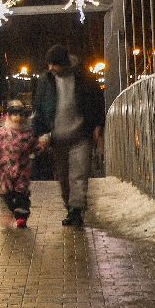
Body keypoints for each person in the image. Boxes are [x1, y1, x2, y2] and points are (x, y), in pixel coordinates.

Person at [31, 44, 105, 227]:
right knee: (63, 177)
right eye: (49, 64)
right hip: (57, 137)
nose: (51, 68)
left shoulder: (83, 78)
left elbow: (96, 101)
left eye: (54, 64)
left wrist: (97, 125)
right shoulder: (45, 81)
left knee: (79, 175)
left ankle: (76, 210)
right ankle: (70, 207)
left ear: (64, 63)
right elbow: (39, 108)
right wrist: (40, 134)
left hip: (81, 134)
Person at [0, 100, 35, 227]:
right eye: (15, 114)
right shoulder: (1, 133)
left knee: (22, 191)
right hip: (5, 168)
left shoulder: (27, 133)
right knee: (6, 192)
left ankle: (21, 215)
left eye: (21, 115)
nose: (18, 117)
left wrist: (41, 145)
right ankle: (8, 211)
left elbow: (33, 146)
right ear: (9, 116)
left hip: (22, 168)